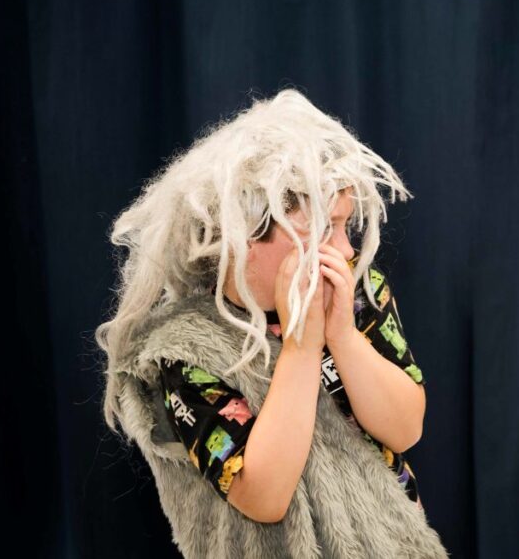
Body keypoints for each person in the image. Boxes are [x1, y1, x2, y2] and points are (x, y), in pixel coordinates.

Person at [97, 89, 446, 558]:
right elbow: (263, 497)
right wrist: (301, 347)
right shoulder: (183, 349)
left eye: (346, 227)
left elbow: (406, 429)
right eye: (325, 228)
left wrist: (342, 336)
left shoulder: (356, 293)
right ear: (245, 235)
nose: (346, 250)